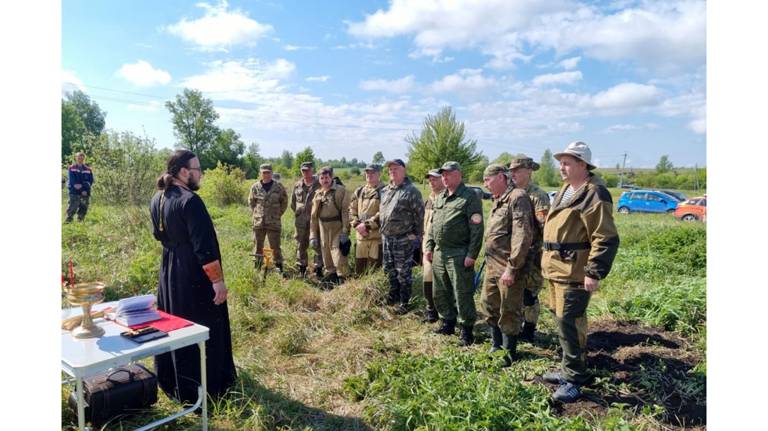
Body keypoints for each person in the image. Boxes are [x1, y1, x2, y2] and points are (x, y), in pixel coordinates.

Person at [149, 149, 236, 403]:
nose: (201, 175)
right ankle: (205, 388)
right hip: (193, 274)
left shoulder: (157, 198)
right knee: (199, 326)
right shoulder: (190, 201)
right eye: (198, 170)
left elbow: (159, 236)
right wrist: (217, 282)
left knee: (174, 323)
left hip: (169, 270)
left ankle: (174, 381)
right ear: (184, 172)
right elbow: (204, 247)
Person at [541, 141, 619, 403]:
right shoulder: (567, 189)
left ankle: (574, 379)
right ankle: (568, 369)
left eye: (567, 163)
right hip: (556, 268)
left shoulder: (594, 193)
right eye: (561, 162)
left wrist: (594, 271)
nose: (561, 167)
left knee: (570, 323)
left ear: (583, 165)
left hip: (574, 270)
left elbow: (605, 236)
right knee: (561, 320)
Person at [480, 164, 534, 366]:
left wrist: (512, 268)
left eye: (488, 179)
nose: (485, 184)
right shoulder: (499, 200)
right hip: (492, 265)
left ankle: (509, 351)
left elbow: (522, 236)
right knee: (489, 304)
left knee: (510, 310)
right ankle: (496, 345)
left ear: (502, 177)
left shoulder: (517, 197)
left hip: (508, 267)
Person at [425, 161, 484, 346]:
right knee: (440, 291)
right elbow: (433, 225)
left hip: (459, 253)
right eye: (443, 174)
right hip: (440, 252)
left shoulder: (469, 197)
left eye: (448, 174)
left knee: (462, 292)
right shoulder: (440, 196)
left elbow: (476, 228)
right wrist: (429, 246)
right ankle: (447, 323)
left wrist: (472, 254)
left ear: (459, 174)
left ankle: (466, 330)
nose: (444, 177)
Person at [509, 154, 551, 342]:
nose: (513, 174)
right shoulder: (511, 193)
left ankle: (529, 329)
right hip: (513, 252)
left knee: (529, 294)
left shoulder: (538, 196)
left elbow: (545, 227)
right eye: (511, 170)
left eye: (518, 170)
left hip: (533, 254)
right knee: (514, 291)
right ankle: (515, 325)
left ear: (529, 171)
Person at [373, 159, 424, 314]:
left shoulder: (411, 191)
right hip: (387, 237)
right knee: (389, 269)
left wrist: (415, 237)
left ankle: (404, 301)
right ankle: (393, 295)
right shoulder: (384, 191)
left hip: (403, 239)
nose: (392, 171)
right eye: (390, 169)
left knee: (403, 272)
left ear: (404, 171)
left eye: (396, 168)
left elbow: (420, 216)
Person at [310, 166, 351, 286]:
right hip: (323, 227)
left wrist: (345, 231)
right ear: (319, 180)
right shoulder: (318, 194)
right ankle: (330, 279)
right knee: (326, 253)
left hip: (337, 226)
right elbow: (313, 217)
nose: (324, 180)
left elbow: (345, 212)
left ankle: (343, 281)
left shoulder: (340, 191)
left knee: (338, 255)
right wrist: (312, 236)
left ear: (331, 177)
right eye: (322, 178)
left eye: (326, 177)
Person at [249, 164, 288, 274]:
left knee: (275, 246)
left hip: (273, 222)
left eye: (268, 172)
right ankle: (258, 266)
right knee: (258, 246)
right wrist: (257, 213)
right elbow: (251, 202)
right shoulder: (255, 187)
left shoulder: (279, 187)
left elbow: (284, 202)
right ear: (260, 173)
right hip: (259, 222)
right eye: (264, 172)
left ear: (271, 173)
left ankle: (279, 267)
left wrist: (277, 214)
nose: (266, 175)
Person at [349, 164, 385, 275]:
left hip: (376, 239)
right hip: (361, 238)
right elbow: (351, 210)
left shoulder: (385, 191)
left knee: (374, 272)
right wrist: (357, 225)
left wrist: (366, 226)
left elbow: (384, 213)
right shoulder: (359, 191)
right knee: (360, 271)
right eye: (367, 172)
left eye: (372, 172)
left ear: (379, 174)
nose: (369, 175)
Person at [291, 161, 322, 278]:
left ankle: (318, 269)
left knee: (317, 245)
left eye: (308, 170)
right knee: (301, 245)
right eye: (303, 170)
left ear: (312, 170)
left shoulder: (319, 184)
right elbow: (293, 203)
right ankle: (302, 269)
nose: (305, 172)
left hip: (316, 221)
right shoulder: (297, 185)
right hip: (301, 222)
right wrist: (300, 213)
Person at [420, 168, 444, 323]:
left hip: (442, 247)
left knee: (442, 281)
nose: (431, 182)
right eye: (430, 179)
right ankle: (431, 310)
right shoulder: (429, 200)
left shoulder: (446, 198)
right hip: (426, 246)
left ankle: (445, 312)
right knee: (427, 277)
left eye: (435, 179)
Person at [65, 152, 94, 223]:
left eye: (82, 157)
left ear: (84, 158)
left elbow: (90, 181)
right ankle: (69, 220)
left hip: (85, 191)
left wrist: (84, 189)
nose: (80, 159)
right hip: (74, 191)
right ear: (76, 158)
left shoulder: (88, 169)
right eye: (78, 157)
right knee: (73, 206)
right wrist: (81, 188)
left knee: (84, 206)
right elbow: (72, 182)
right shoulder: (72, 168)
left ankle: (80, 220)